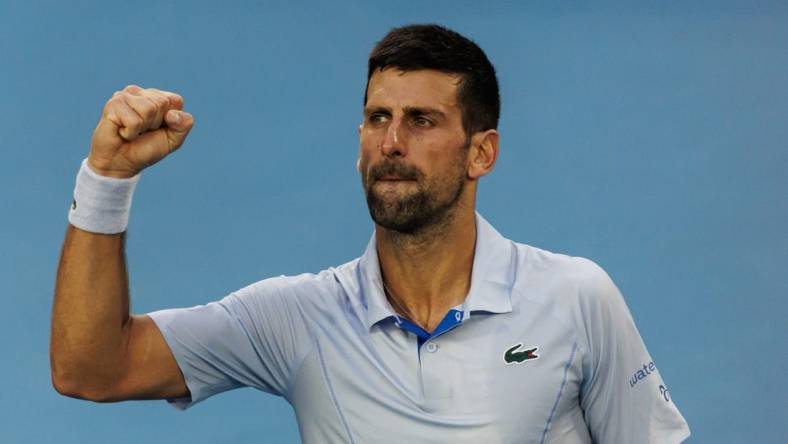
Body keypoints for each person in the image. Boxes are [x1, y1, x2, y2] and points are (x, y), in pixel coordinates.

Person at [51, 24, 690, 443]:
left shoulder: (578, 297)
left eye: (421, 121)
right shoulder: (296, 317)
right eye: (376, 117)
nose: (390, 142)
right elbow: (91, 370)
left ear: (481, 153)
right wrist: (106, 177)